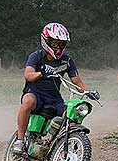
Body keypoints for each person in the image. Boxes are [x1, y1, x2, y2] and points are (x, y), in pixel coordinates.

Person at [12, 22, 98, 154]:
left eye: (61, 43)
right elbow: (28, 75)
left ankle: (58, 144)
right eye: (54, 43)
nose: (58, 47)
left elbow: (77, 81)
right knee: (28, 101)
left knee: (72, 115)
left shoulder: (67, 61)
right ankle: (20, 139)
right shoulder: (36, 56)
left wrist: (88, 92)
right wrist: (41, 73)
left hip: (54, 97)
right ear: (46, 41)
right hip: (35, 93)